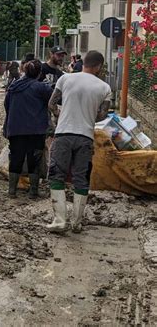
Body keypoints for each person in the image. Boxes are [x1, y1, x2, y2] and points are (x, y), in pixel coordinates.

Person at [47, 50, 111, 233]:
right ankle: (76, 222)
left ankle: (59, 221)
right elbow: (103, 115)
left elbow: (52, 103)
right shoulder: (104, 88)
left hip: (64, 134)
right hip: (85, 138)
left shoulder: (66, 79)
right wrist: (88, 117)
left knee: (57, 175)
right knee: (80, 178)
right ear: (98, 66)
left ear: (83, 62)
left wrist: (62, 114)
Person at [4, 60, 53, 198]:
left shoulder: (14, 86)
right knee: (34, 160)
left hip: (15, 129)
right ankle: (33, 192)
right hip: (35, 130)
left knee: (16, 159)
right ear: (39, 73)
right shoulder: (41, 88)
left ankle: (12, 191)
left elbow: (6, 106)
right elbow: (54, 100)